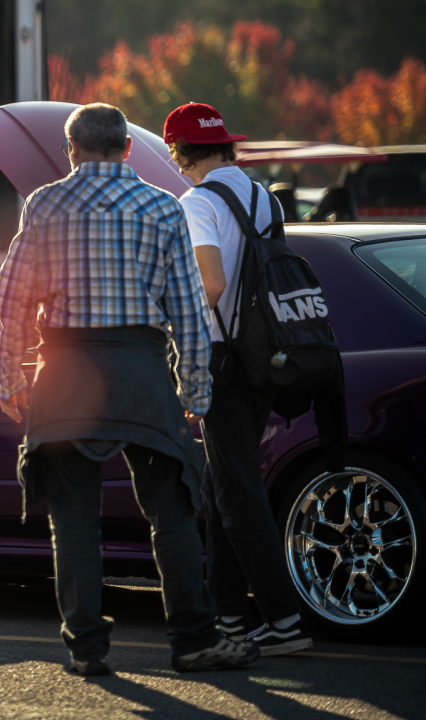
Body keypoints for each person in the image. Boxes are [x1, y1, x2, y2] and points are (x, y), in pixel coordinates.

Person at [0, 103, 260, 675]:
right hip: (140, 370)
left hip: (64, 372)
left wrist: (9, 377)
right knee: (173, 510)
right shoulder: (163, 208)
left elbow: (13, 298)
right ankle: (193, 638)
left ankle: (85, 647)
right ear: (129, 149)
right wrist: (194, 394)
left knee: (73, 517)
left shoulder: (43, 205)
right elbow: (187, 308)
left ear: (72, 150)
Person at [164, 102, 312, 656]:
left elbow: (211, 283)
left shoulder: (197, 202)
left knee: (238, 495)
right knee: (221, 488)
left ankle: (284, 622)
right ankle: (227, 617)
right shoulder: (263, 197)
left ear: (181, 154)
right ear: (226, 146)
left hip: (220, 358)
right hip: (262, 357)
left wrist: (170, 326)